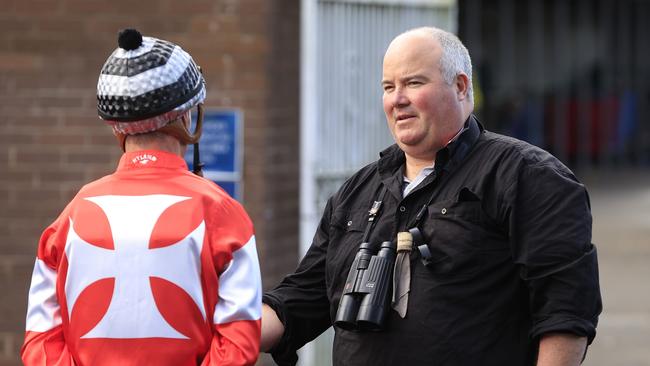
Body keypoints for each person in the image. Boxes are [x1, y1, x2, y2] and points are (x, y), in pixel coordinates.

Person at [261, 27, 601, 365]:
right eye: (388, 87)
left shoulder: (527, 176)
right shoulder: (356, 193)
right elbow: (299, 301)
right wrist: (217, 324)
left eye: (413, 83)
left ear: (460, 86)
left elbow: (565, 311)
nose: (398, 99)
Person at [21, 29, 262, 366]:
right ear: (186, 116)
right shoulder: (221, 212)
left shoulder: (73, 213)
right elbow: (239, 344)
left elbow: (40, 342)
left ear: (114, 126)